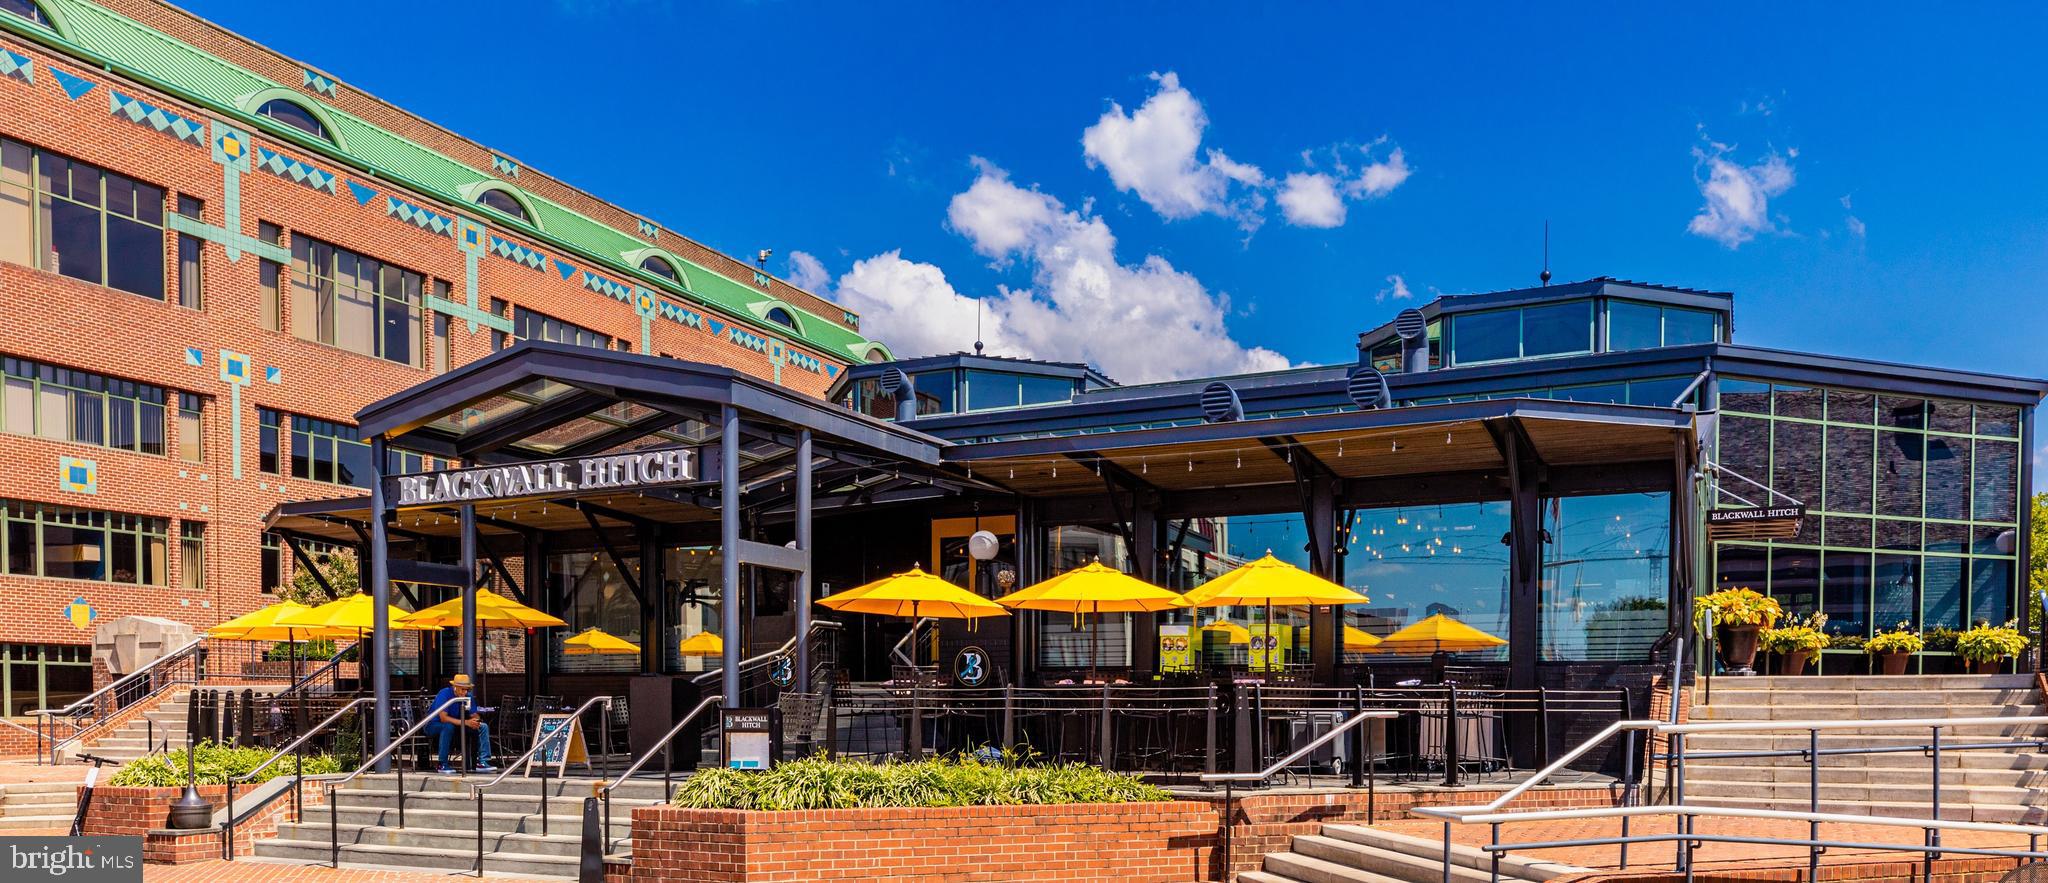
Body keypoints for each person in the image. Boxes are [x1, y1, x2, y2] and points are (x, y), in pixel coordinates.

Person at [425, 673, 496, 774]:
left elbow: (474, 714)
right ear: (455, 687)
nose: (465, 692)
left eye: (467, 689)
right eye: (462, 689)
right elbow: (443, 718)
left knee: (483, 726)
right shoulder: (445, 693)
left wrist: (476, 721)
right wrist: (466, 722)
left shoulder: (468, 697)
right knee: (447, 727)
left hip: (456, 724)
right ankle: (442, 763)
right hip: (434, 724)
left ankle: (482, 761)